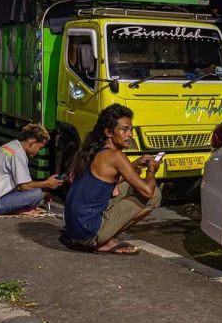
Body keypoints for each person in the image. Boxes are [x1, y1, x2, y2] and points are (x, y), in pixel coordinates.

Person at [60, 105, 161, 254]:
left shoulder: (95, 150)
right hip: (88, 234)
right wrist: (152, 170)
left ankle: (103, 236)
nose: (130, 135)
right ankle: (105, 241)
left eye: (131, 130)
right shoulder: (116, 156)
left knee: (128, 185)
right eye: (125, 130)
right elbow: (147, 191)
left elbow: (105, 182)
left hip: (75, 229)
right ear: (108, 132)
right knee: (154, 195)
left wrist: (133, 165)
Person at [0, 124, 63, 215]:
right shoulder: (18, 153)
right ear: (32, 142)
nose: (38, 151)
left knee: (31, 192)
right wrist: (48, 183)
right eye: (39, 147)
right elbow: (24, 186)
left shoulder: (12, 146)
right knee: (37, 194)